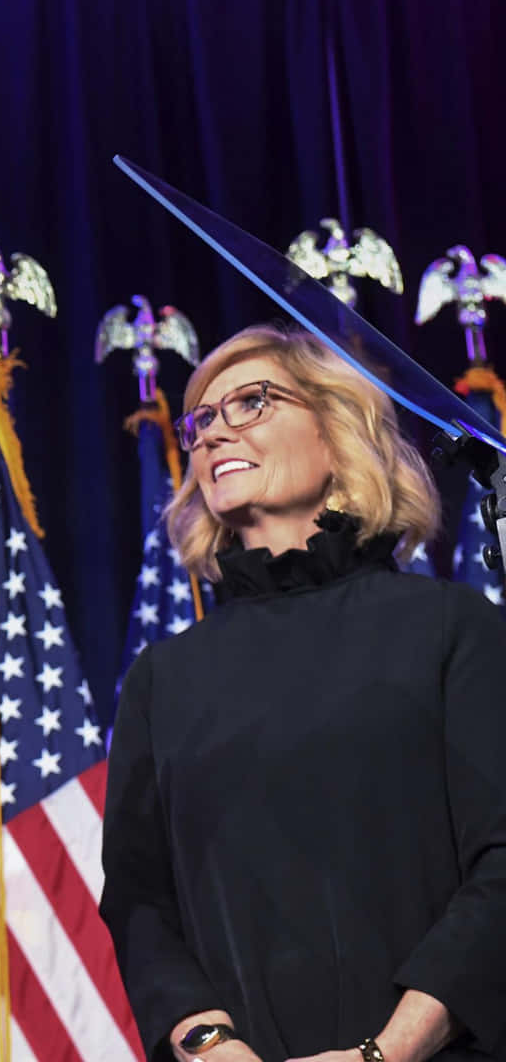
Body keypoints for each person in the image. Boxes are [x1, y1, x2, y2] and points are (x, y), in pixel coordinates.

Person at [101, 325, 506, 1062]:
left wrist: (390, 1050)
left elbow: (503, 863)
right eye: (201, 420)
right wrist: (209, 1042)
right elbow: (138, 901)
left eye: (250, 403)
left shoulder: (451, 630)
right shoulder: (164, 678)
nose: (215, 431)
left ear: (338, 428)